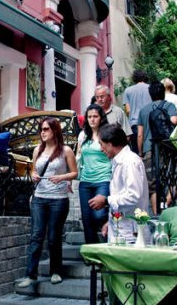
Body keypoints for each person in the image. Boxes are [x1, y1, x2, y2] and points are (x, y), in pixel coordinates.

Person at [18, 117, 78, 287]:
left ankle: (56, 271)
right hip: (39, 198)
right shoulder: (37, 150)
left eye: (46, 129)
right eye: (41, 129)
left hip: (58, 200)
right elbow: (34, 172)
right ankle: (30, 275)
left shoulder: (66, 151)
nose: (42, 132)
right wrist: (34, 176)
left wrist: (61, 177)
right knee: (36, 236)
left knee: (53, 237)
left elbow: (75, 173)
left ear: (55, 131)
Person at [88, 123, 150, 242]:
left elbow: (133, 196)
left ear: (110, 143)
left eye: (102, 144)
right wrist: (110, 222)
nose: (101, 149)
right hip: (122, 229)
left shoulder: (130, 162)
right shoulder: (120, 161)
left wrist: (106, 200)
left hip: (132, 233)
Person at [137, 81, 177, 214]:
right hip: (168, 147)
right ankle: (166, 203)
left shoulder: (143, 110)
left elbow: (140, 134)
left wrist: (140, 152)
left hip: (149, 149)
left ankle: (156, 215)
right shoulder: (169, 105)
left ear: (150, 95)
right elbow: (174, 121)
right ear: (164, 93)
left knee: (153, 185)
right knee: (174, 176)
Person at [76, 104, 112, 244]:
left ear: (101, 118)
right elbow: (78, 156)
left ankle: (107, 226)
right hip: (85, 181)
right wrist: (71, 178)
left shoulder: (107, 134)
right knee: (87, 219)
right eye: (89, 117)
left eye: (95, 116)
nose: (92, 119)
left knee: (98, 215)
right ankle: (91, 253)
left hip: (103, 179)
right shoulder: (83, 135)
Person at [123, 70, 152, 151]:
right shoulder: (151, 88)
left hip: (134, 124)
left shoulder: (128, 90)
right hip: (149, 123)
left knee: (136, 151)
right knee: (150, 150)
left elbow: (128, 110)